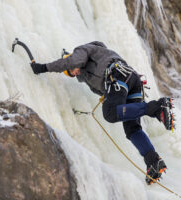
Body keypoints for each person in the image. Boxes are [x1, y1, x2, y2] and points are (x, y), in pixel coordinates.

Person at [30, 41, 173, 184]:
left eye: (70, 69)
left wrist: (43, 68)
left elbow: (74, 61)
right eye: (71, 74)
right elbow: (108, 92)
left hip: (118, 75)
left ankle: (157, 107)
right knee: (132, 129)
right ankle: (153, 161)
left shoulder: (82, 51)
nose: (74, 73)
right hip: (131, 81)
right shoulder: (88, 77)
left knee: (110, 113)